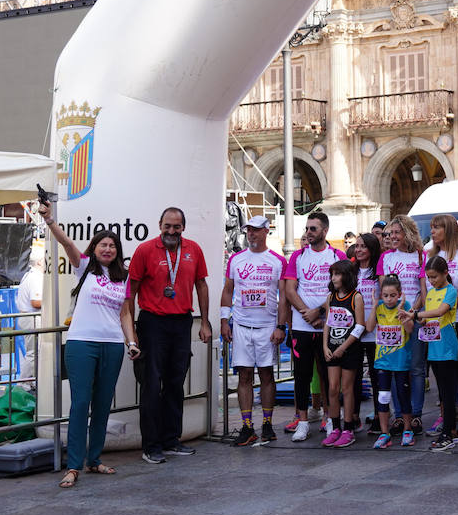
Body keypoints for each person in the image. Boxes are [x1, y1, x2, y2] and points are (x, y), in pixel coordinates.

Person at [41, 203, 134, 488]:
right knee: (81, 404)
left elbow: (126, 313)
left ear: (117, 251)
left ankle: (94, 460)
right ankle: (74, 466)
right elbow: (66, 242)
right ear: (94, 248)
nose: (107, 249)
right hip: (82, 343)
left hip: (113, 345)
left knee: (103, 404)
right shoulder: (84, 268)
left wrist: (132, 342)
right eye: (103, 244)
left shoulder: (124, 277)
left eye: (112, 246)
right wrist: (50, 220)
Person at [126, 207, 211, 464]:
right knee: (152, 386)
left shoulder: (193, 249)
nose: (171, 231)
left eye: (176, 227)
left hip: (181, 323)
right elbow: (131, 291)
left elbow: (202, 285)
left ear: (183, 227)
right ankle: (151, 446)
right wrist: (132, 332)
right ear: (159, 225)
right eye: (167, 226)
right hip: (152, 323)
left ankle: (172, 440)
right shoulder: (145, 250)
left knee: (176, 384)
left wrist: (205, 323)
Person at [221, 215, 287, 447]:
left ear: (266, 231)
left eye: (256, 230)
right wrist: (223, 321)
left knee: (267, 374)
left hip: (267, 326)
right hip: (241, 325)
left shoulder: (278, 261)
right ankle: (248, 426)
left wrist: (280, 326)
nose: (251, 234)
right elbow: (228, 290)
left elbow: (283, 298)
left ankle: (267, 423)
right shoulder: (236, 260)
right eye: (248, 230)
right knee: (245, 375)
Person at [282, 211, 347, 442]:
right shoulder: (297, 257)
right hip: (302, 326)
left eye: (313, 229)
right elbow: (290, 290)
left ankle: (330, 419)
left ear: (325, 231)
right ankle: (302, 422)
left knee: (329, 375)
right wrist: (306, 313)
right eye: (307, 228)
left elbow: (342, 291)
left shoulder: (337, 256)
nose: (308, 233)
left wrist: (319, 311)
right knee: (301, 375)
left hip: (328, 326)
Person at [428, 214, 458, 436]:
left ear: (447, 230)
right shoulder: (430, 255)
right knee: (440, 372)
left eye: (436, 227)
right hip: (436, 323)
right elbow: (424, 289)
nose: (433, 232)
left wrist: (447, 307)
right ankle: (446, 413)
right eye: (431, 228)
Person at [407, 256, 458, 451]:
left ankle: (447, 432)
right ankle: (451, 429)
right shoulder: (429, 293)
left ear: (445, 273)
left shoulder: (451, 291)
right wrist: (413, 317)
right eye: (428, 278)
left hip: (447, 347)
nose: (431, 281)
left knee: (447, 392)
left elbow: (440, 311)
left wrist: (416, 314)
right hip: (434, 347)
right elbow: (427, 319)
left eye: (434, 277)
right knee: (441, 392)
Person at [380, 216, 428, 432]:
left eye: (397, 233)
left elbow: (422, 288)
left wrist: (412, 311)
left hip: (414, 316)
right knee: (394, 367)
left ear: (408, 233)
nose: (393, 237)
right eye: (390, 234)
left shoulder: (421, 256)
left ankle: (416, 414)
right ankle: (399, 415)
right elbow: (383, 291)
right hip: (392, 320)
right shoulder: (386, 258)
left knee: (416, 368)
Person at [321, 260, 365, 447]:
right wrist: (325, 346)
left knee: (347, 389)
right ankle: (335, 426)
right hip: (332, 348)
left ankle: (348, 428)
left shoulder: (356, 297)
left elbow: (360, 326)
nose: (334, 278)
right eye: (332, 274)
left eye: (337, 274)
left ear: (346, 275)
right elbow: (327, 323)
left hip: (349, 349)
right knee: (332, 388)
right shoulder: (331, 297)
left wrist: (343, 347)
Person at [368, 275, 412, 448]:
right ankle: (385, 432)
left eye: (392, 295)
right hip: (383, 361)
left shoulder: (405, 306)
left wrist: (402, 312)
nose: (389, 299)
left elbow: (410, 329)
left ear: (399, 294)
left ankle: (407, 429)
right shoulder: (379, 307)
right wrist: (373, 307)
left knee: (402, 394)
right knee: (383, 396)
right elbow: (370, 327)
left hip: (401, 360)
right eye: (385, 295)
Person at [352, 233, 382, 434]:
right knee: (353, 375)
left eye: (363, 246)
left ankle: (380, 416)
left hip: (375, 330)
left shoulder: (378, 271)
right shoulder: (351, 271)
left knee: (376, 375)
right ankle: (353, 416)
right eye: (357, 246)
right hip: (354, 331)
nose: (359, 250)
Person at [15, 255, 44, 380]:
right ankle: (24, 383)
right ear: (40, 261)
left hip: (28, 317)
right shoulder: (35, 278)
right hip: (31, 317)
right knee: (33, 353)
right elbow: (36, 302)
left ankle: (29, 382)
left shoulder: (30, 276)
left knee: (34, 353)